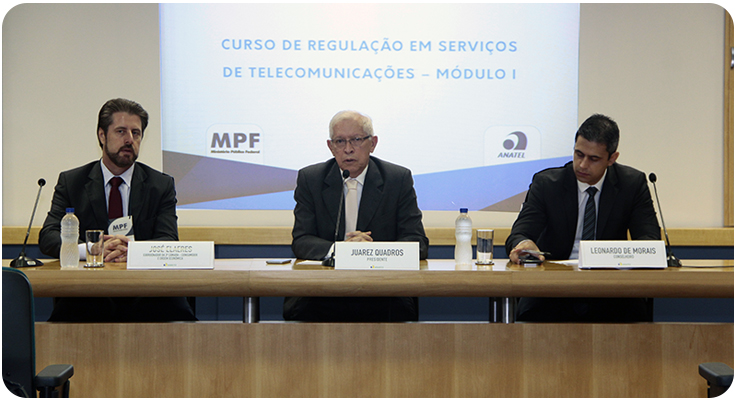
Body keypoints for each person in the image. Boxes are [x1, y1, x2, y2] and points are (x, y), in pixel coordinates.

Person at [38, 98, 195, 322]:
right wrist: (92, 249)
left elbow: (168, 239)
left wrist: (134, 251)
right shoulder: (72, 182)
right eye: (121, 131)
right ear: (102, 135)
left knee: (181, 317)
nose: (129, 139)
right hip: (89, 292)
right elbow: (48, 237)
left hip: (147, 292)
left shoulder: (160, 185)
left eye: (136, 133)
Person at [505, 113, 661, 322]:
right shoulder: (547, 184)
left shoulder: (632, 185)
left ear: (612, 159)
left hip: (610, 290)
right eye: (578, 154)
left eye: (593, 159)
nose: (582, 165)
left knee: (634, 314)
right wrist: (524, 244)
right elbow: (520, 234)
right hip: (553, 289)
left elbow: (649, 241)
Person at [286, 110, 429, 322]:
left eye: (356, 140)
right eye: (340, 141)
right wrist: (342, 250)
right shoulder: (311, 179)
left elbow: (418, 243)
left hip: (382, 291)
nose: (348, 149)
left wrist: (367, 251)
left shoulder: (397, 179)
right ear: (330, 146)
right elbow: (302, 240)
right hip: (324, 290)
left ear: (373, 144)